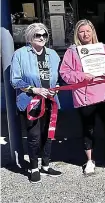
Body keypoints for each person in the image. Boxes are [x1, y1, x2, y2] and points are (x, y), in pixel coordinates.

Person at [59, 19, 105, 175]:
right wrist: (82, 75)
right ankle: (89, 161)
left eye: (88, 31)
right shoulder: (72, 51)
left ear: (93, 32)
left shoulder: (103, 48)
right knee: (88, 129)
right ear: (77, 34)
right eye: (82, 31)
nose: (85, 34)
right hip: (84, 96)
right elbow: (65, 73)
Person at [10, 23, 62, 183]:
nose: (41, 38)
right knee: (33, 136)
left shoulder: (53, 54)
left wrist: (57, 87)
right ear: (30, 37)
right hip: (30, 101)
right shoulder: (20, 54)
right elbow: (15, 81)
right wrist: (35, 90)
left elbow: (56, 78)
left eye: (44, 35)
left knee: (48, 134)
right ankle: (33, 167)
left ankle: (45, 165)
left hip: (50, 101)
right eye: (37, 35)